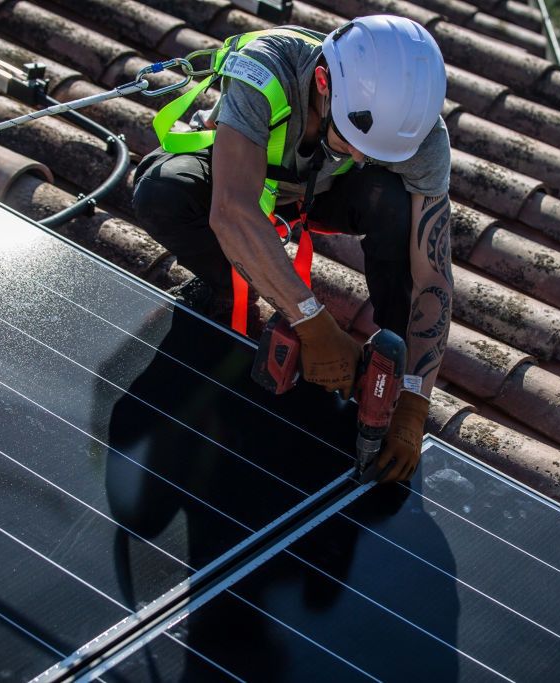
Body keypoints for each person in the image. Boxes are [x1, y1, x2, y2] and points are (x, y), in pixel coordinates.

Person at [132, 15, 453, 483]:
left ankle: (386, 370)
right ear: (323, 82)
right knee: (163, 190)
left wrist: (414, 400)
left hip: (321, 194)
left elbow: (432, 278)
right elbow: (232, 210)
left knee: (399, 207)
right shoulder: (266, 67)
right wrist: (315, 325)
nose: (360, 158)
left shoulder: (417, 133)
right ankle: (224, 289)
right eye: (352, 139)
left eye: (374, 151)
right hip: (243, 173)